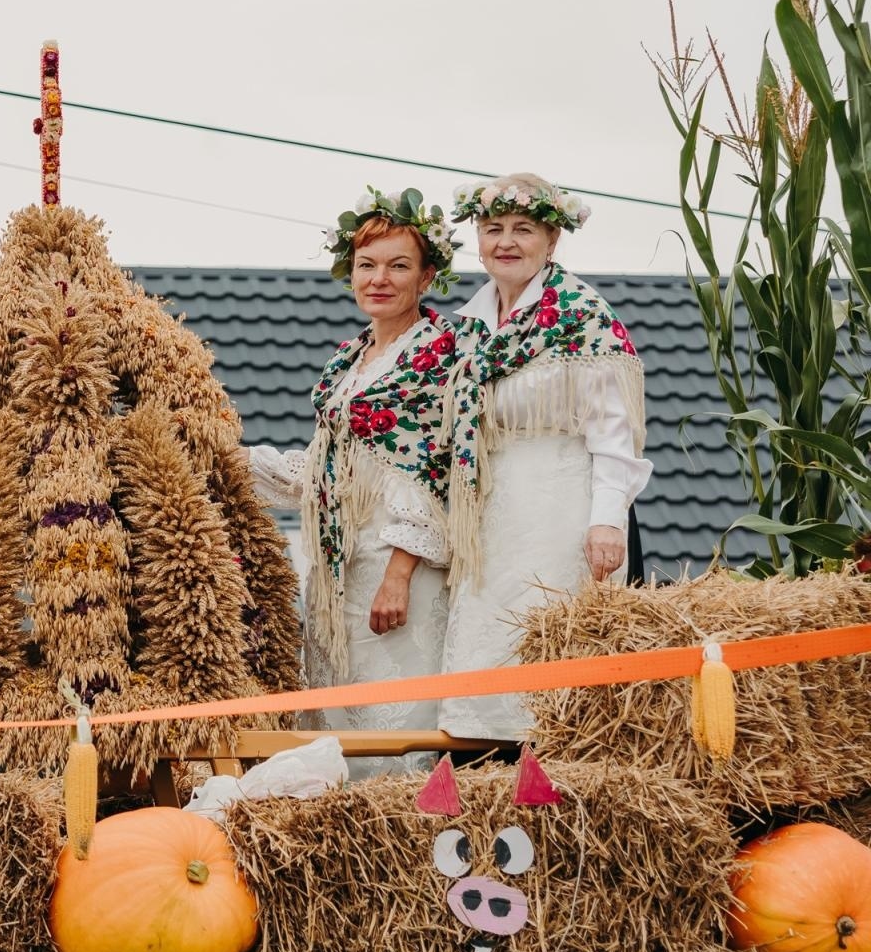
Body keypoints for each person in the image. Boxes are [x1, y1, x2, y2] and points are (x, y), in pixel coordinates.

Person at [249, 188, 461, 775]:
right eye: (367, 266)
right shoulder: (348, 360)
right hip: (339, 562)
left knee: (395, 713)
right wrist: (236, 460)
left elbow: (435, 466)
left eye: (399, 266)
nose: (380, 279)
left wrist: (398, 575)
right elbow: (326, 467)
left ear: (427, 277)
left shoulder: (440, 353)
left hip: (400, 564)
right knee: (341, 709)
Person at [437, 173, 651, 743]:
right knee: (486, 648)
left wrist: (607, 521)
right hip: (488, 510)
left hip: (560, 509)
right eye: (493, 228)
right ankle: (484, 775)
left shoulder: (582, 317)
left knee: (544, 642)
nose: (505, 242)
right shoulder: (468, 327)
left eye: (522, 229)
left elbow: (614, 432)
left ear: (552, 240)